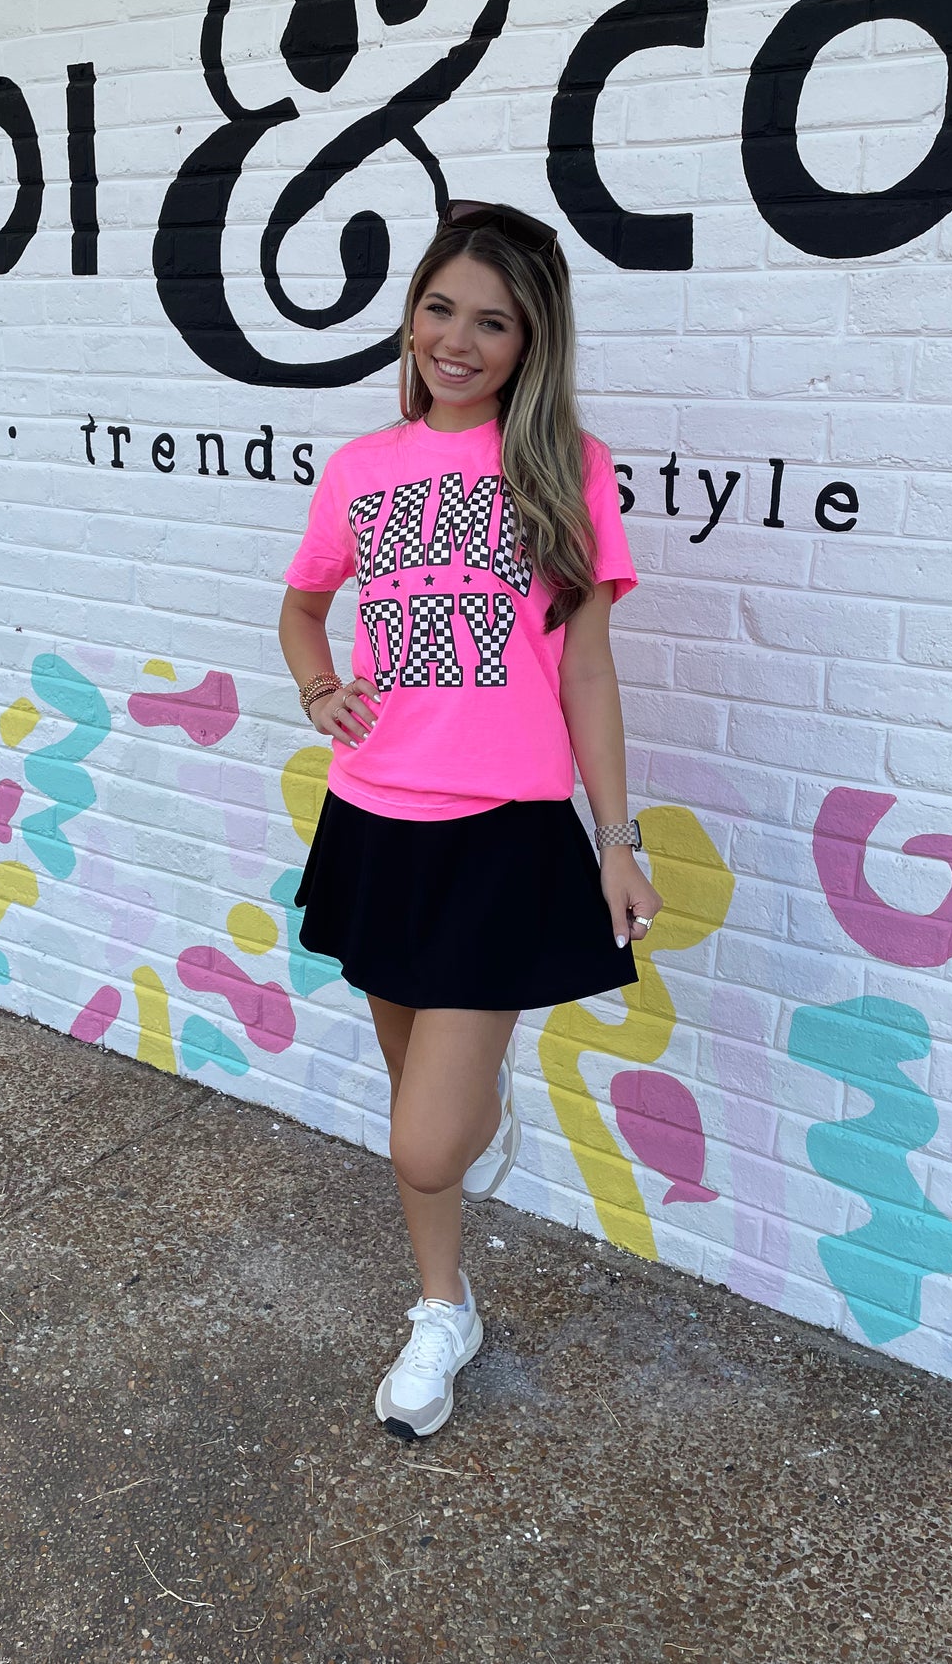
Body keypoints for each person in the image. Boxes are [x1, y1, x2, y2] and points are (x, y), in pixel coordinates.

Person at [276, 199, 663, 1440]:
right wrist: (319, 690)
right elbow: (301, 606)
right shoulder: (361, 467)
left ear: (529, 339)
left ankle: (478, 1106)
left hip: (501, 835)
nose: (457, 339)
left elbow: (586, 668)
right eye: (439, 308)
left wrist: (616, 838)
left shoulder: (564, 468)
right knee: (415, 1113)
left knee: (428, 1140)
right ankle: (443, 1305)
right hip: (372, 822)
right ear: (410, 317)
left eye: (491, 322)